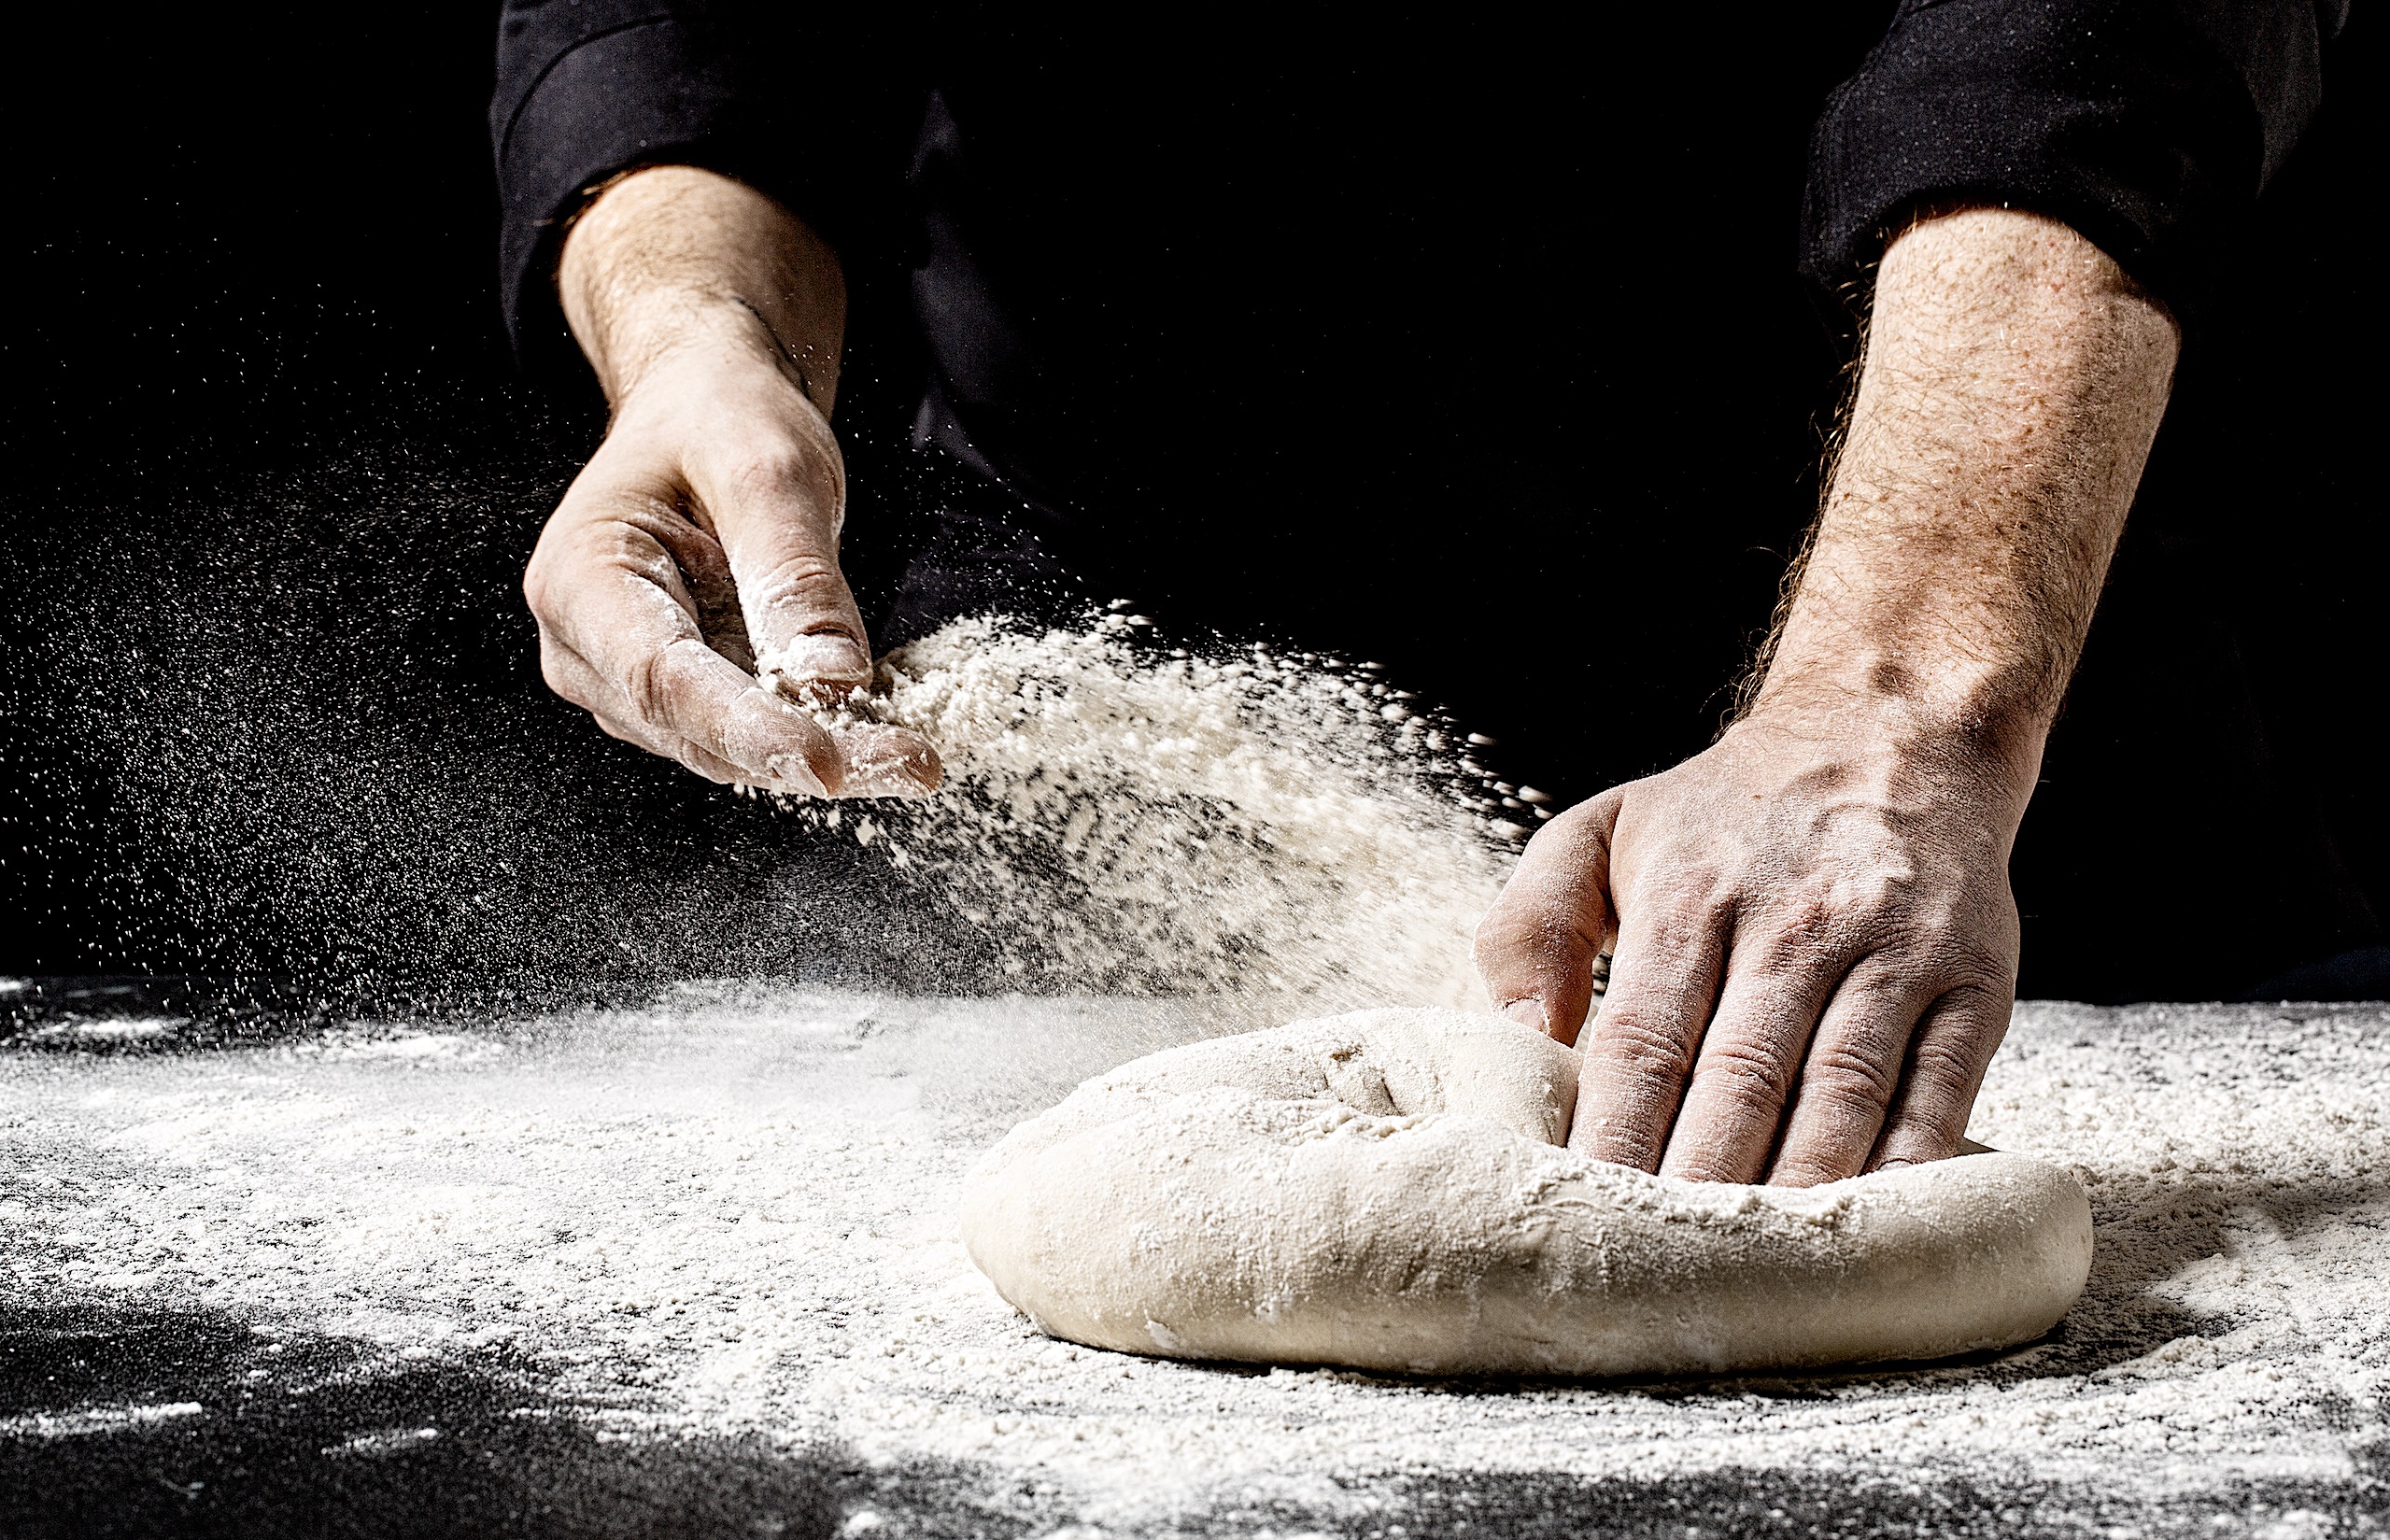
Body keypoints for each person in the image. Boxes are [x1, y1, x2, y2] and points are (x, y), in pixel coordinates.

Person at [491, 1, 2347, 1185]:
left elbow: (2088, 33)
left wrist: (1903, 693)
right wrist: (694, 334)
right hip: (1125, 722)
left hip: (1945, 726)